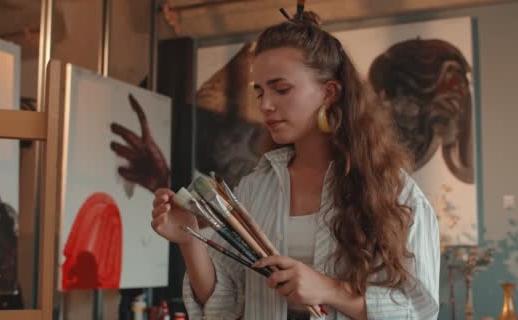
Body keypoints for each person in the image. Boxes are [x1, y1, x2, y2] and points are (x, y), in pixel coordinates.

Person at [151, 9, 439, 320]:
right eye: (259, 91)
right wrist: (189, 238)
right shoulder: (254, 187)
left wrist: (330, 290)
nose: (265, 105)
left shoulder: (394, 192)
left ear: (329, 92)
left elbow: (418, 311)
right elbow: (224, 305)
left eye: (281, 89)